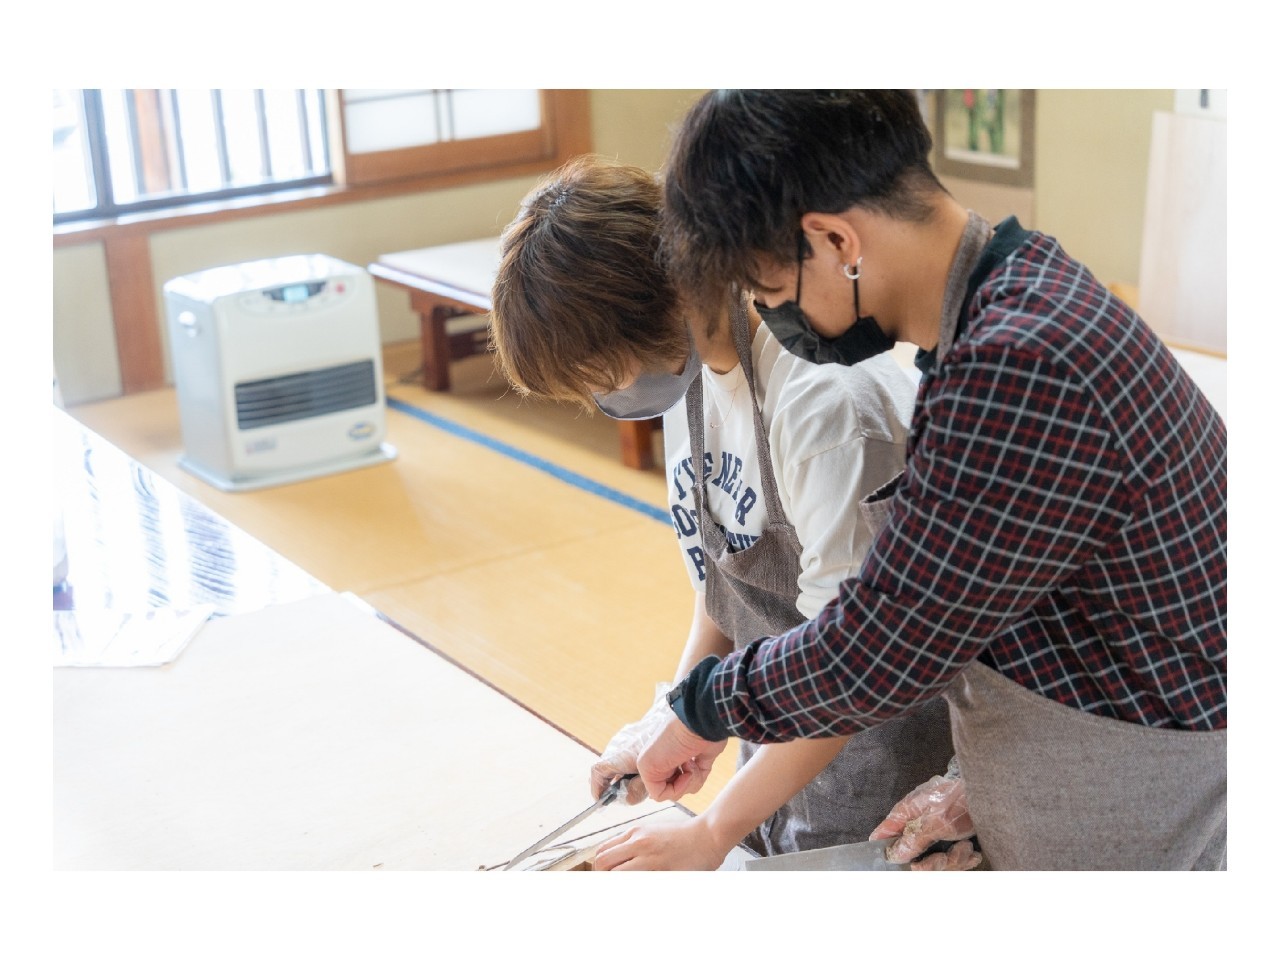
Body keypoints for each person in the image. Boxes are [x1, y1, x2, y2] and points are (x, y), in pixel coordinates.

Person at [636, 89, 1228, 870]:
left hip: (1152, 814)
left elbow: (878, 648)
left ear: (836, 240)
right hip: (1099, 772)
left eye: (769, 292)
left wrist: (702, 708)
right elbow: (993, 599)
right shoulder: (1018, 294)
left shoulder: (1016, 366)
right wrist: (972, 781)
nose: (770, 315)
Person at [490, 155, 957, 870]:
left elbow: (856, 662)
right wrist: (676, 714)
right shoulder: (694, 379)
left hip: (883, 760)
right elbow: (728, 578)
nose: (601, 398)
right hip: (777, 748)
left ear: (658, 307)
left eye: (598, 376)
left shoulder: (826, 408)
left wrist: (710, 833)